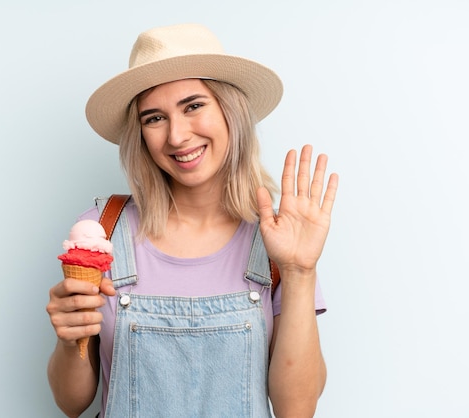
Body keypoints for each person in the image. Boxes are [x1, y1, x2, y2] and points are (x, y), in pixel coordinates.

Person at [46, 23, 338, 418]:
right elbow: (71, 402)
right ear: (141, 134)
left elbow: (296, 410)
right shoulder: (103, 229)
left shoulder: (275, 237)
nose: (178, 136)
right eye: (154, 118)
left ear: (229, 111)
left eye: (194, 106)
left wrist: (300, 272)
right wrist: (69, 340)